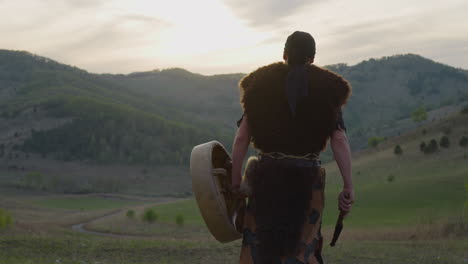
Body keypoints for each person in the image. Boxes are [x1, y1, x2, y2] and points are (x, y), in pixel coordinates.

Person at [231, 31, 354, 264]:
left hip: (264, 179)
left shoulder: (259, 83)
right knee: (303, 249)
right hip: (307, 181)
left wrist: (236, 180)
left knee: (257, 250)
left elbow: (241, 138)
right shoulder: (329, 87)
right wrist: (348, 186)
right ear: (313, 58)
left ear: (284, 54)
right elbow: (339, 140)